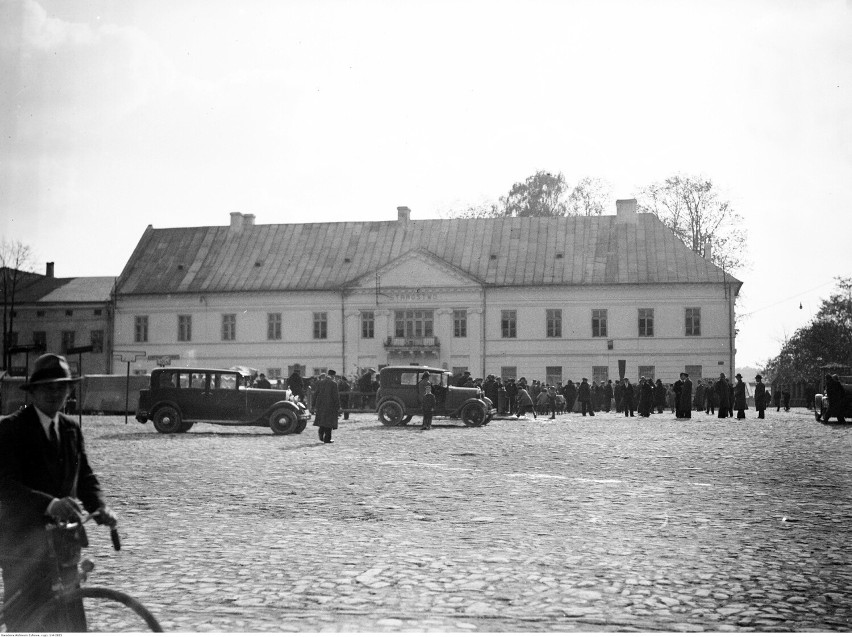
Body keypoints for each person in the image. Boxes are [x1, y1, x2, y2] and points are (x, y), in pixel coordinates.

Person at [0, 353, 118, 632]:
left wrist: (100, 507)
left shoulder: (70, 429)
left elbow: (85, 477)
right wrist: (49, 504)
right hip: (22, 545)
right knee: (26, 621)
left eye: (61, 387)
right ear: (34, 392)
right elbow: (4, 485)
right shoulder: (12, 429)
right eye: (47, 387)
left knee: (70, 619)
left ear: (69, 391)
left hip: (64, 543)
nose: (55, 393)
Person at [313, 370, 341, 443]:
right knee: (329, 422)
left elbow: (315, 394)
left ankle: (321, 433)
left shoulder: (320, 382)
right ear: (333, 376)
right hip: (330, 405)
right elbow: (336, 396)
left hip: (321, 405)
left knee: (322, 420)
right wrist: (338, 406)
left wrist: (314, 405)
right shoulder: (333, 384)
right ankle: (327, 439)